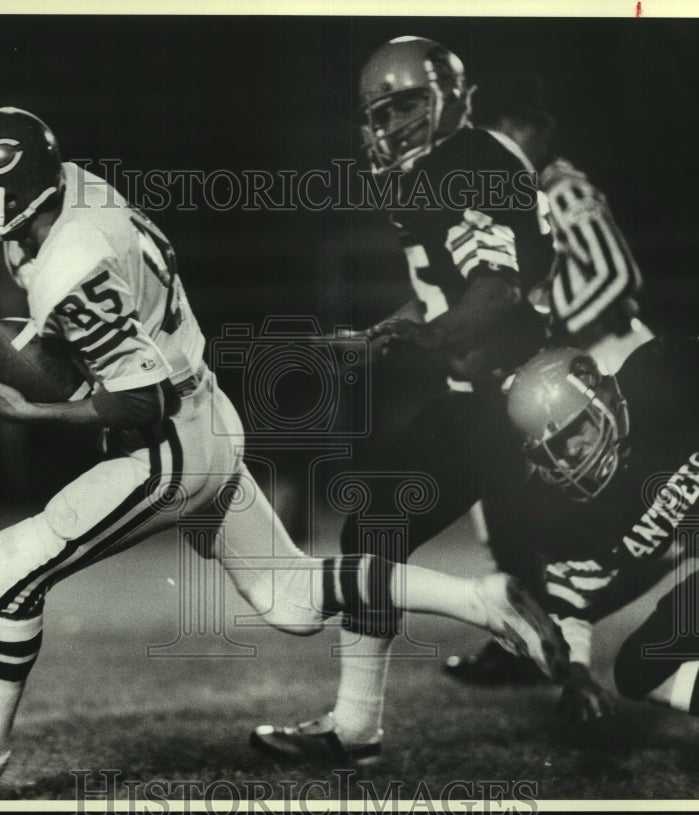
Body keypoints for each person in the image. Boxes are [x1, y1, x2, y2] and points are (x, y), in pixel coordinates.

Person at [0, 107, 568, 784]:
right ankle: (483, 599)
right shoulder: (74, 187)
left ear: (13, 188)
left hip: (165, 442)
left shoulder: (71, 264)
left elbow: (139, 396)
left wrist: (39, 407)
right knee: (290, 596)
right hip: (205, 411)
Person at [250, 37, 556, 765]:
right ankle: (360, 724)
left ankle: (367, 716)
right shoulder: (454, 163)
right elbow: (458, 284)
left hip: (505, 395)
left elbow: (495, 291)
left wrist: (433, 335)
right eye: (381, 113)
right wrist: (397, 328)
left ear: (452, 95)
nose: (393, 126)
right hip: (503, 389)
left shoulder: (465, 163)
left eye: (409, 105)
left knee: (375, 528)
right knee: (381, 529)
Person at [445, 73, 651, 685]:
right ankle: (534, 638)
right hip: (560, 373)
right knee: (504, 496)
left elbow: (618, 276)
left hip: (608, 364)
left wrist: (555, 337)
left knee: (645, 501)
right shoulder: (506, 196)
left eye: (507, 130)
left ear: (534, 130)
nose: (496, 142)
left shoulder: (560, 187)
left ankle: (550, 636)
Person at [501, 340, 699, 721]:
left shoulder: (666, 372)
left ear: (603, 397)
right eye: (553, 451)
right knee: (639, 669)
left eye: (573, 434)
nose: (570, 457)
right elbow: (573, 596)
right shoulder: (560, 509)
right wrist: (576, 673)